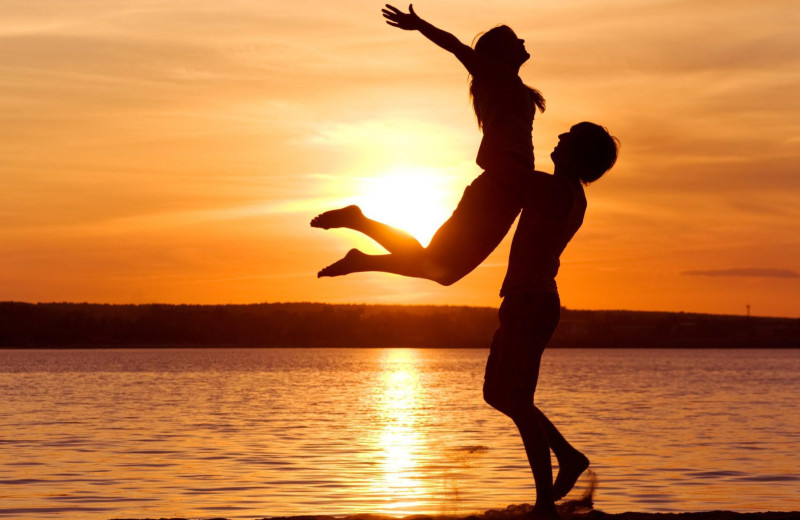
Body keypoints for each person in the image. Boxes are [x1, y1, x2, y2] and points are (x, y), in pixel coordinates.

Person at [311, 4, 544, 285]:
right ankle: (359, 233)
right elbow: (457, 47)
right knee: (440, 267)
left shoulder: (509, 85)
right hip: (500, 186)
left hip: (508, 188)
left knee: (441, 268)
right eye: (514, 39)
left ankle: (360, 246)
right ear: (499, 52)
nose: (522, 41)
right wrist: (421, 26)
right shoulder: (495, 77)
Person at [482, 122, 619, 519]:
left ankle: (545, 503)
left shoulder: (558, 190)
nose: (558, 138)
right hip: (522, 301)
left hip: (531, 302)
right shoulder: (560, 189)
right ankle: (568, 456)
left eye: (568, 138)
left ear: (578, 155)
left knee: (518, 400)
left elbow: (502, 172)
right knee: (496, 394)